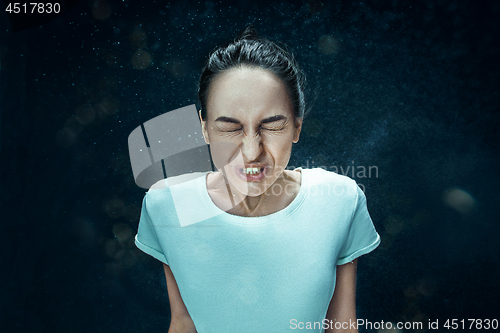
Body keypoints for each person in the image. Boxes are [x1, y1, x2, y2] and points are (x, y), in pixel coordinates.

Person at [134, 25, 380, 333]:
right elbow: (184, 324)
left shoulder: (339, 200)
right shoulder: (167, 204)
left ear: (297, 127)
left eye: (272, 126)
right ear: (205, 128)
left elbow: (341, 327)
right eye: (230, 127)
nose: (251, 152)